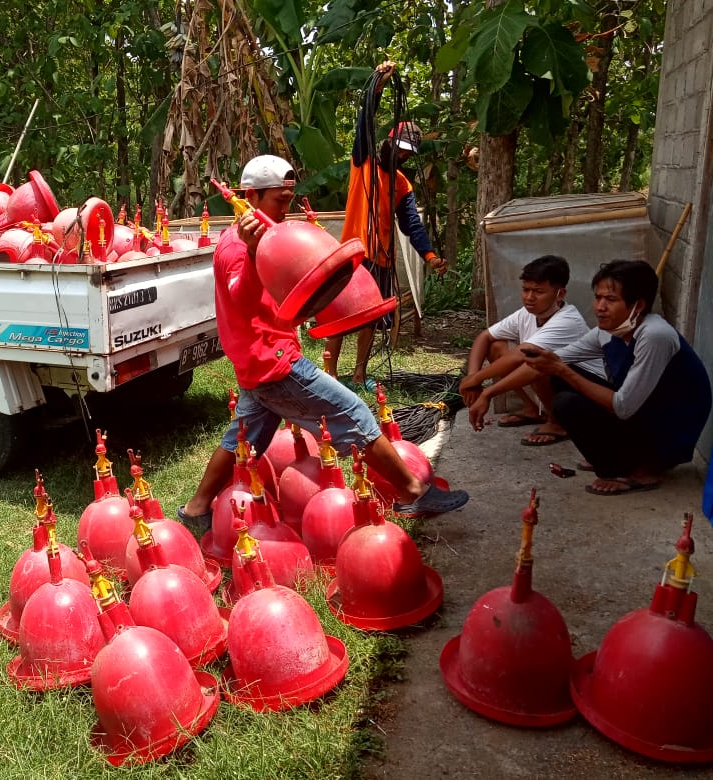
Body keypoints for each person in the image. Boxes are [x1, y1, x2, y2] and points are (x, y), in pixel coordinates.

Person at [176, 154, 469, 532]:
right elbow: (239, 295)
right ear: (249, 196)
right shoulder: (236, 247)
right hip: (274, 363)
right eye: (278, 201)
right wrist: (252, 254)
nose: (286, 209)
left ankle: (196, 508)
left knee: (243, 441)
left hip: (262, 359)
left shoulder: (270, 238)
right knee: (356, 414)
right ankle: (413, 491)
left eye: (288, 200)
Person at [522, 260, 711, 496]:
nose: (599, 307)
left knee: (566, 399)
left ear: (638, 305)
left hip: (668, 430)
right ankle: (615, 456)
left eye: (610, 300)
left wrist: (560, 369)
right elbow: (555, 359)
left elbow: (623, 407)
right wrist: (486, 392)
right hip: (642, 412)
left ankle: (643, 470)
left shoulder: (654, 335)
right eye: (598, 297)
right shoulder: (610, 330)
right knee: (558, 375)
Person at [324, 61, 447, 387]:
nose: (403, 156)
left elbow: (412, 226)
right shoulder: (363, 163)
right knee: (340, 313)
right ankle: (331, 372)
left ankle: (360, 372)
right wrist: (377, 84)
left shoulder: (403, 185)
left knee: (369, 318)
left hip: (381, 259)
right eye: (400, 149)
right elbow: (364, 124)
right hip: (352, 253)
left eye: (409, 154)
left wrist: (430, 255)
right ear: (389, 141)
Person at [462, 254, 605, 444]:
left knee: (538, 361)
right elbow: (485, 336)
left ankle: (557, 423)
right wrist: (472, 378)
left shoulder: (567, 321)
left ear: (560, 294)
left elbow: (518, 356)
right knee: (497, 347)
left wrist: (484, 389)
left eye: (538, 291)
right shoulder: (527, 313)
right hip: (561, 384)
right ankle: (534, 410)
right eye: (526, 290)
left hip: (587, 394)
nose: (529, 297)